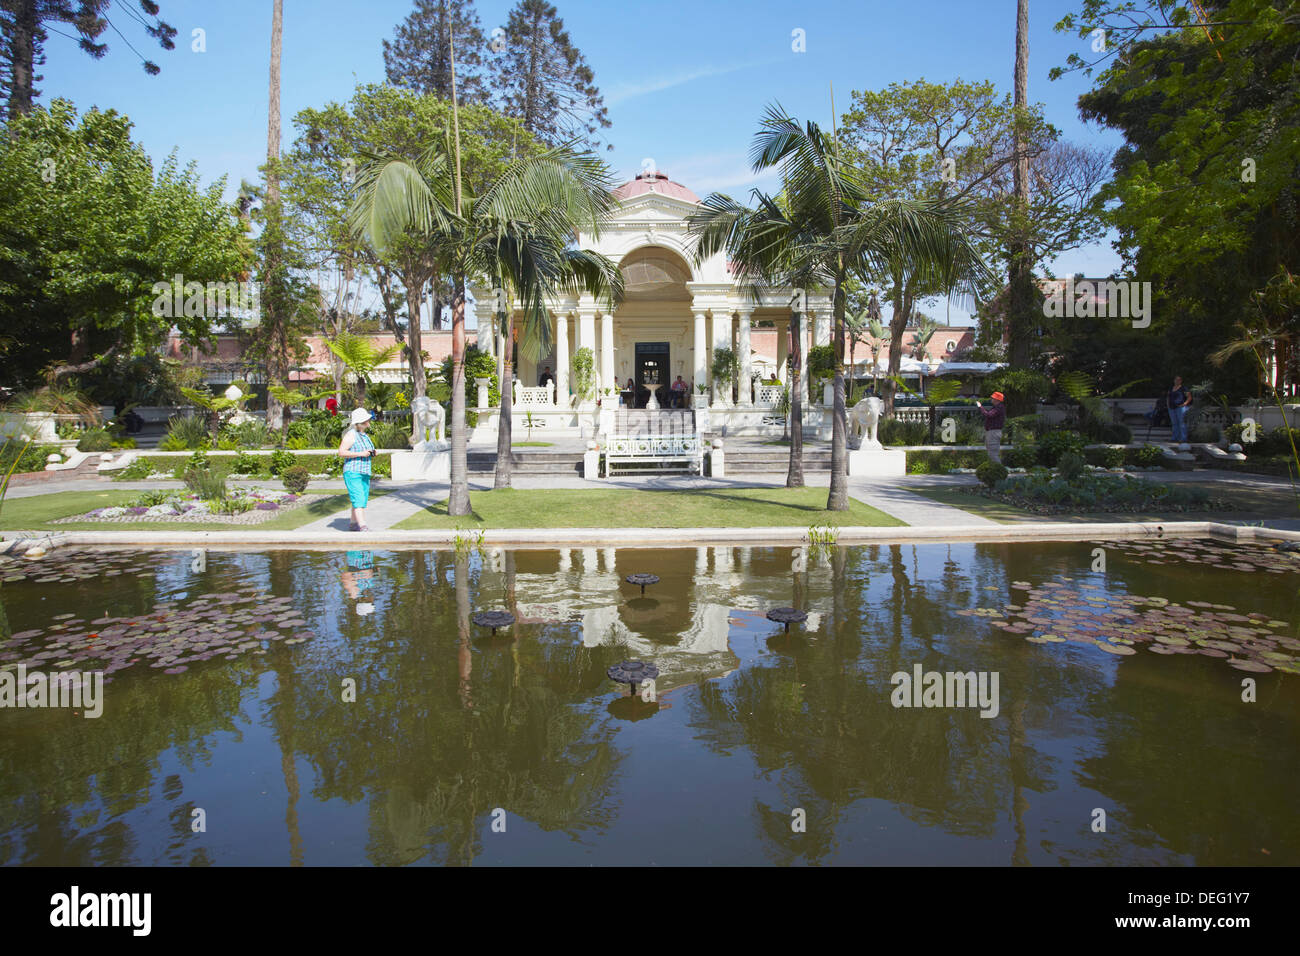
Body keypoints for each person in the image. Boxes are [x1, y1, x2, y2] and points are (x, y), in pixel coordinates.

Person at [339, 407, 376, 532]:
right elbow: (341, 452)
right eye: (366, 419)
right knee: (358, 497)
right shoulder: (351, 435)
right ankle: (362, 525)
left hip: (364, 471)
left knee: (362, 498)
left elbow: (366, 451)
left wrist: (371, 453)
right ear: (361, 422)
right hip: (353, 471)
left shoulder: (365, 436)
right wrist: (361, 454)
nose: (369, 421)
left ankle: (353, 523)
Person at [974, 390, 1006, 464]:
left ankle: (999, 470)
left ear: (997, 400)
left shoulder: (999, 408)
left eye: (993, 398)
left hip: (993, 432)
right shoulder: (997, 407)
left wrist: (980, 407)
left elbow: (988, 415)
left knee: (993, 454)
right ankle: (996, 470)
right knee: (991, 453)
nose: (991, 399)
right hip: (992, 432)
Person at [1167, 376, 1192, 443]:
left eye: (1179, 380)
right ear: (1174, 380)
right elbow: (1168, 397)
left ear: (1181, 381)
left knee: (1182, 423)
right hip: (1171, 408)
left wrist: (1185, 404)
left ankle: (1183, 438)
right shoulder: (1171, 388)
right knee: (1174, 423)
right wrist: (1168, 405)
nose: (1177, 381)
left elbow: (1189, 397)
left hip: (1180, 407)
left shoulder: (1183, 388)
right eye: (1176, 380)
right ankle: (1175, 438)